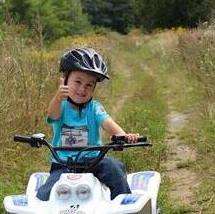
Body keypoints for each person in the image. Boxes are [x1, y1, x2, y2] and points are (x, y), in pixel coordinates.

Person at [36, 46, 139, 201]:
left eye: (89, 85)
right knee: (44, 195)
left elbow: (108, 123)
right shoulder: (61, 105)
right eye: (77, 82)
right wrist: (57, 98)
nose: (82, 89)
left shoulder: (94, 108)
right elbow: (52, 113)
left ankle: (125, 206)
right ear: (64, 80)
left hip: (93, 161)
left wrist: (123, 136)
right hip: (63, 164)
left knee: (114, 169)